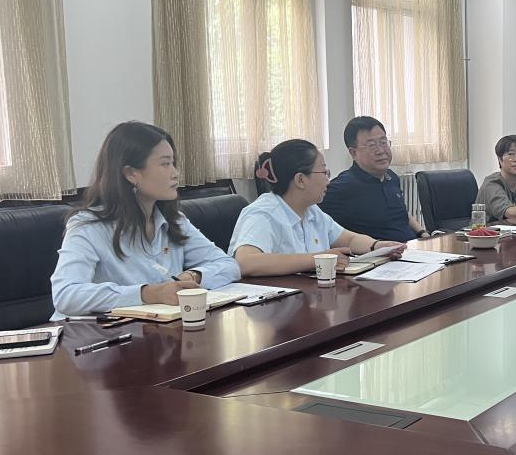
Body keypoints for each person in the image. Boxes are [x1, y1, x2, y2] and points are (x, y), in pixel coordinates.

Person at [50, 121, 240, 318]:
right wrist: (148, 294)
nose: (175, 173)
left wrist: (194, 276)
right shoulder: (87, 227)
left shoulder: (173, 221)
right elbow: (66, 295)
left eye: (173, 163)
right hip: (91, 334)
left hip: (155, 330)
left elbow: (229, 265)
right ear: (131, 174)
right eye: (165, 164)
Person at [229, 139, 403, 277]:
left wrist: (377, 246)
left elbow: (348, 240)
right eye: (324, 172)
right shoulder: (263, 214)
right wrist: (317, 260)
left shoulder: (311, 210)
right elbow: (245, 262)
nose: (328, 180)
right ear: (300, 180)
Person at [320, 116, 430, 243]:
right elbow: (316, 221)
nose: (381, 151)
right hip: (380, 253)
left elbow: (401, 213)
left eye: (383, 143)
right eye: (371, 145)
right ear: (353, 153)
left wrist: (423, 233)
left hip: (413, 247)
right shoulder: (341, 187)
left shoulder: (391, 177)